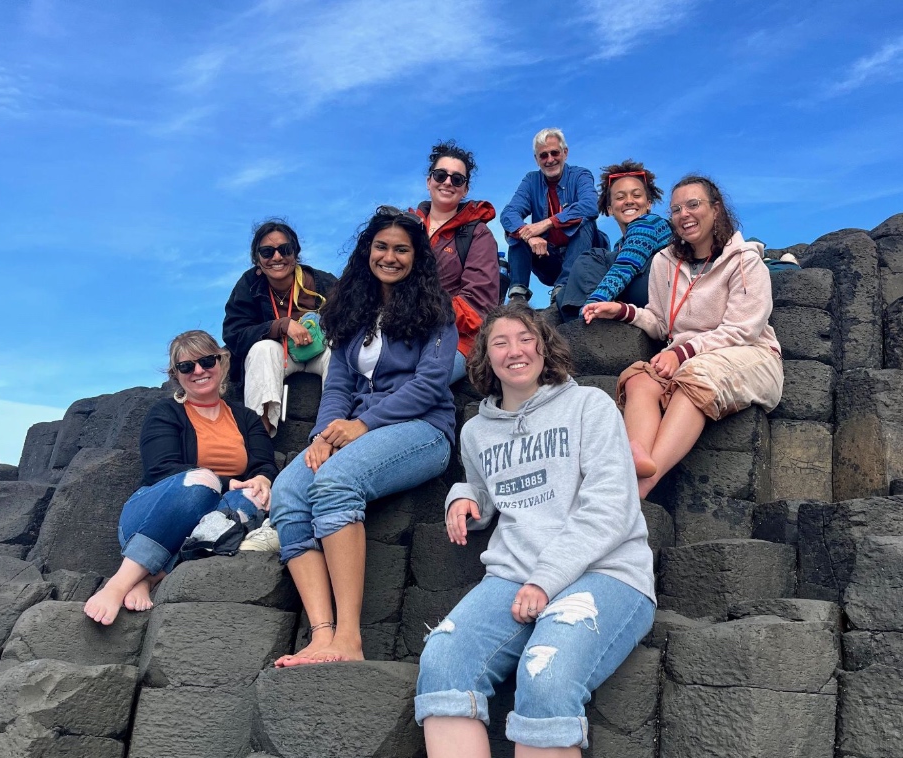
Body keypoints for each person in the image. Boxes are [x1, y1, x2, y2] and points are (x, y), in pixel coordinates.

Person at [415, 302, 656, 757]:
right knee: (443, 660)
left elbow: (612, 507)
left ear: (545, 350)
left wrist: (546, 579)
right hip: (511, 576)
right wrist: (463, 498)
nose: (515, 350)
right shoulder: (475, 432)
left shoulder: (590, 405)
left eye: (526, 339)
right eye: (500, 342)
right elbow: (485, 489)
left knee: (545, 674)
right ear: (486, 357)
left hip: (606, 572)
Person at [269, 206, 458, 666]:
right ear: (366, 250)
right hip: (356, 427)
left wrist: (363, 425)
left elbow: (431, 384)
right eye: (381, 247)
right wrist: (321, 435)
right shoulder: (351, 309)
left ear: (416, 257)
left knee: (335, 483)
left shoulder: (436, 310)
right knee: (288, 493)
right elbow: (337, 385)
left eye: (401, 249)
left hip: (423, 430)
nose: (390, 257)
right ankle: (321, 634)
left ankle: (349, 640)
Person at [584, 175, 784, 498]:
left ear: (716, 210)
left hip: (751, 356)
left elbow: (743, 329)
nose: (684, 214)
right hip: (688, 357)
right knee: (639, 379)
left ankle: (642, 486)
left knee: (694, 377)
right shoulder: (664, 262)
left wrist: (681, 353)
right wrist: (622, 311)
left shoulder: (745, 260)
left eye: (694, 205)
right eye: (676, 209)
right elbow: (661, 322)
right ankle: (638, 458)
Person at [83, 330, 279, 626]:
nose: (199, 370)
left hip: (213, 517)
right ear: (176, 374)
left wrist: (263, 479)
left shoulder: (246, 418)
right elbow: (162, 468)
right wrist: (224, 482)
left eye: (206, 361)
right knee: (202, 480)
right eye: (187, 366)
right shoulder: (165, 412)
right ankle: (118, 585)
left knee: (254, 498)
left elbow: (264, 463)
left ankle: (152, 576)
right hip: (155, 514)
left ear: (221, 362)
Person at [223, 220, 336, 436]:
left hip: (320, 352)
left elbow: (354, 319)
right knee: (261, 349)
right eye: (267, 252)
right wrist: (281, 325)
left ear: (296, 252)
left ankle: (331, 433)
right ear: (257, 259)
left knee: (340, 350)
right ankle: (259, 438)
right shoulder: (249, 285)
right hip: (280, 355)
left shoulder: (323, 282)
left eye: (285, 249)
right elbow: (234, 334)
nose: (277, 257)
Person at [411, 139, 500, 382]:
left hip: (454, 335)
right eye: (441, 175)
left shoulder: (477, 234)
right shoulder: (405, 226)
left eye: (457, 179)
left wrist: (420, 308)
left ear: (465, 189)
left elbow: (479, 304)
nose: (448, 182)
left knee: (417, 383)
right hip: (398, 327)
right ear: (429, 181)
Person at [554, 160, 673, 321]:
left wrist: (593, 305)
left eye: (636, 195)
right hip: (642, 297)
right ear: (610, 209)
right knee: (565, 294)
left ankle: (587, 324)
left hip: (661, 289)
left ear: (649, 204)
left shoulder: (649, 222)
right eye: (620, 197)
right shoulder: (619, 245)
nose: (629, 201)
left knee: (592, 258)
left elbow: (625, 266)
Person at [500, 128, 601, 303]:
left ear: (565, 153)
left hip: (583, 257)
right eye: (543, 155)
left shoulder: (580, 175)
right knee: (514, 230)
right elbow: (509, 213)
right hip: (548, 258)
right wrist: (530, 236)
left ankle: (564, 288)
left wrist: (548, 223)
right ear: (536, 160)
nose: (550, 160)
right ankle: (518, 295)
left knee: (585, 222)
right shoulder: (531, 180)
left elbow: (590, 205)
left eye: (554, 153)